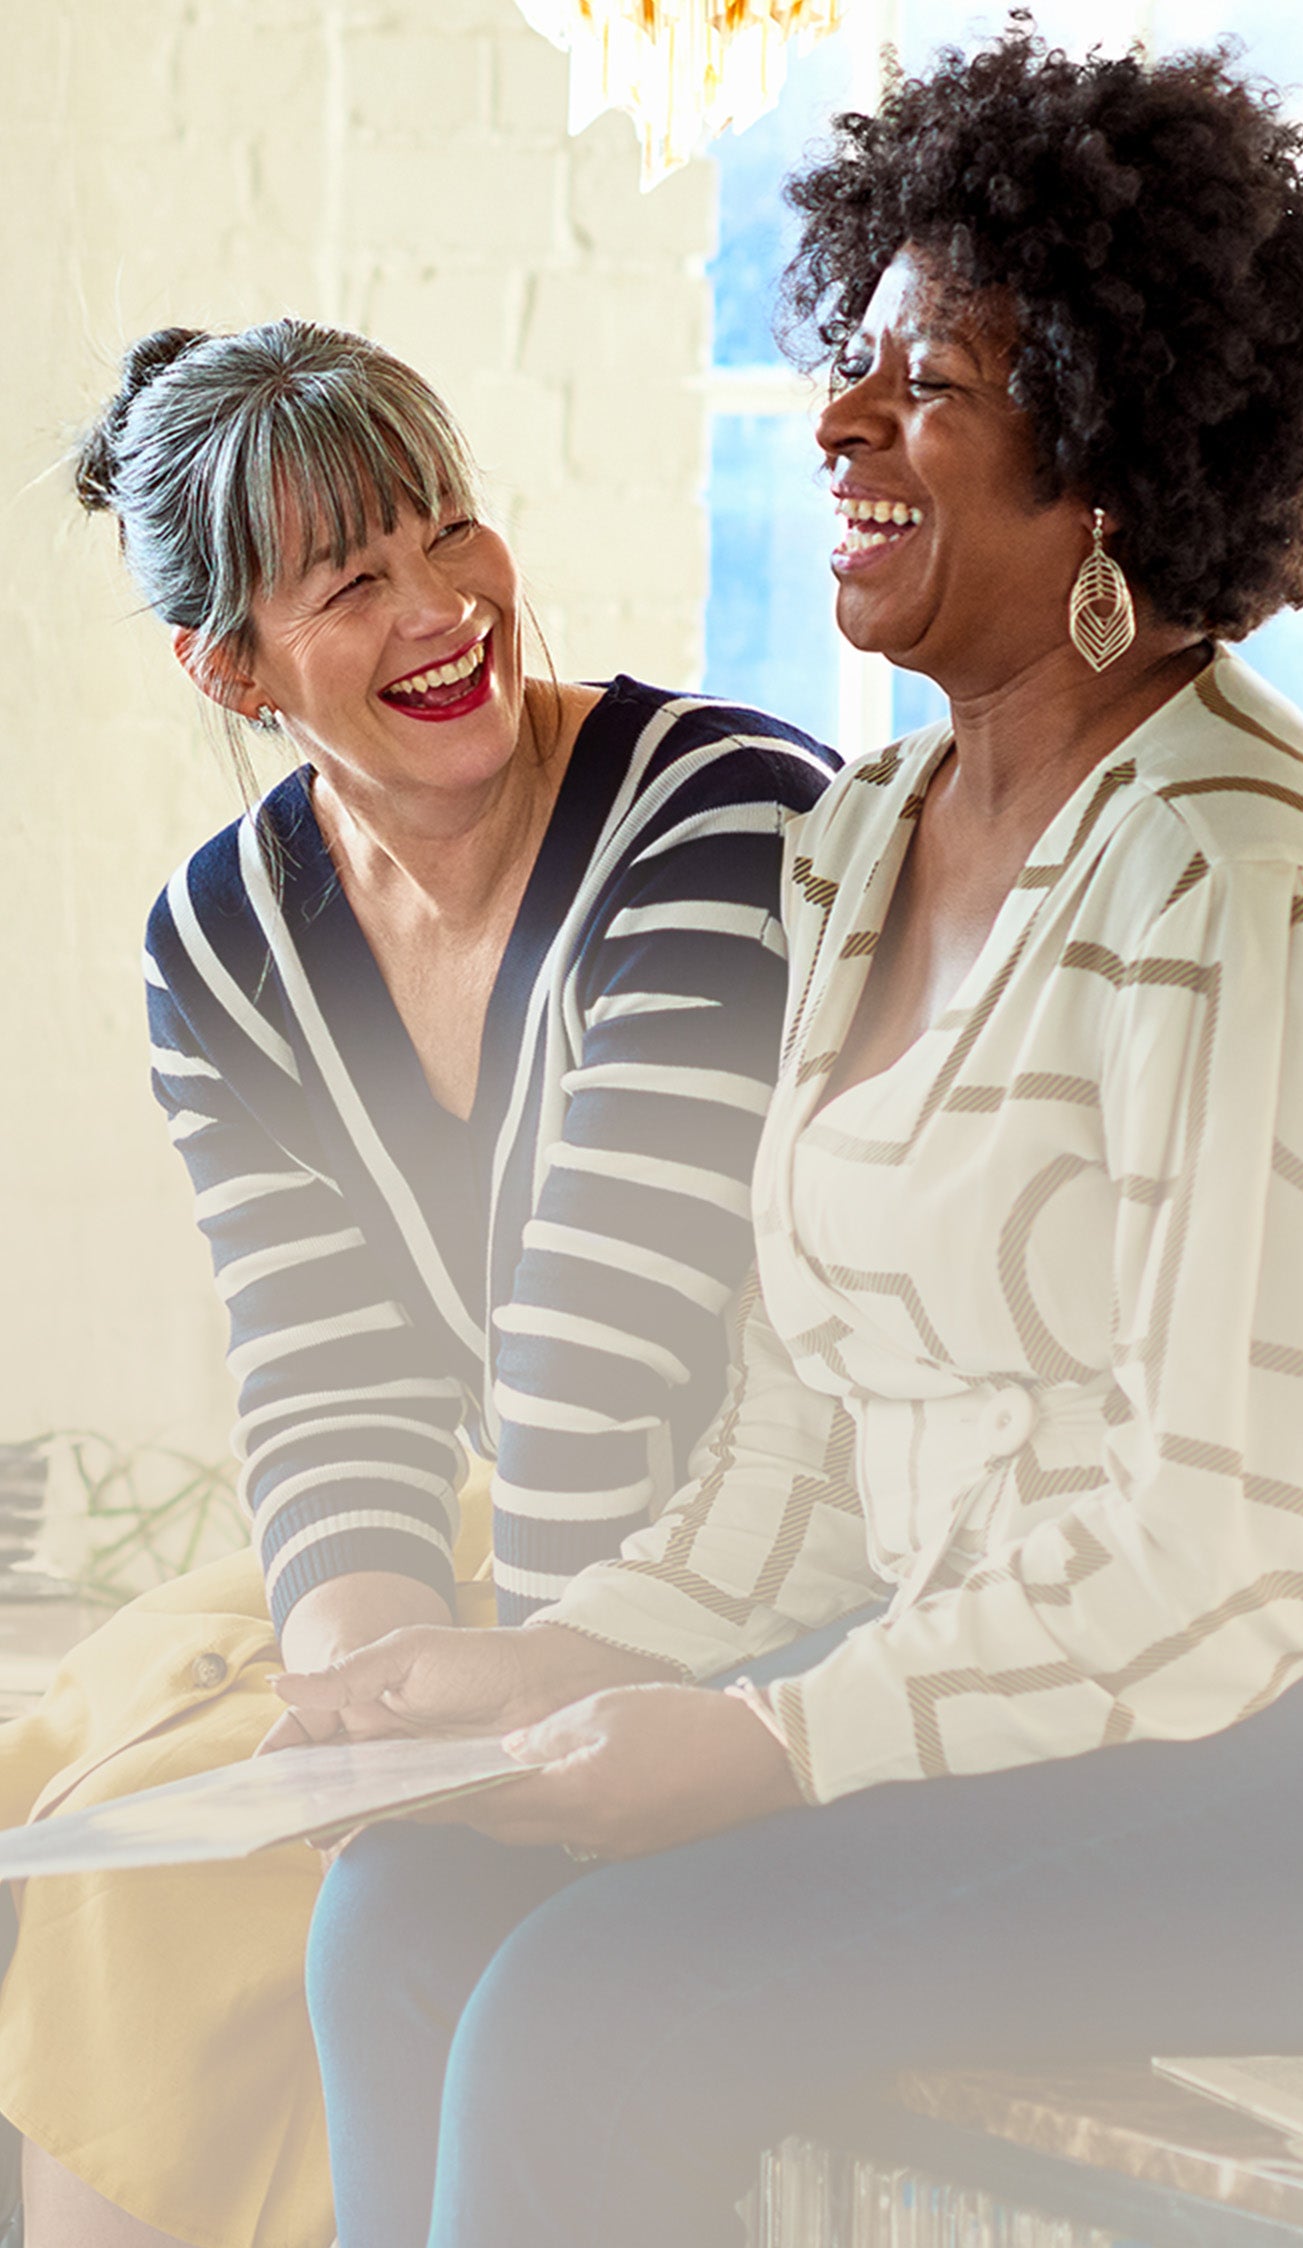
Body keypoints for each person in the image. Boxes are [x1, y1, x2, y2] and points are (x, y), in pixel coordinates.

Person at [288, 31, 1303, 2248]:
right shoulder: (868, 841)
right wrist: (573, 1657)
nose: (842, 422)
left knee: (605, 2001)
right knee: (409, 1895)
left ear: (1111, 460)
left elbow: (1239, 1559)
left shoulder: (1254, 894)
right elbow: (808, 1435)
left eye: (930, 383)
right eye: (851, 363)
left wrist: (779, 1742)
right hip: (1143, 1700)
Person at [0, 319, 836, 2248]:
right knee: (121, 1840)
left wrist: (472, 1739)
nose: (445, 608)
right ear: (229, 665)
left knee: (336, 1903)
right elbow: (326, 1376)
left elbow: (603, 1353)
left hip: (772, 1568)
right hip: (522, 1571)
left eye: (449, 530)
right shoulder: (220, 939)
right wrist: (360, 1697)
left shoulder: (720, 810)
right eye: (352, 580)